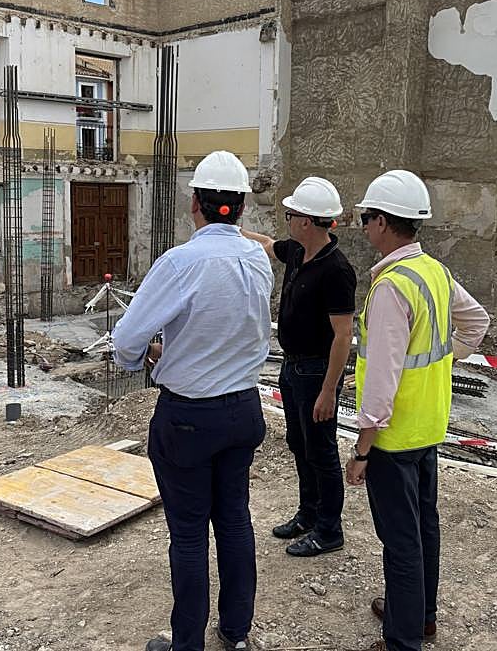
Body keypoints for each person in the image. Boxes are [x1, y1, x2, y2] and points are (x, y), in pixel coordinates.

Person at [112, 150, 274, 651]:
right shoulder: (255, 258)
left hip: (189, 418)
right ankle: (236, 632)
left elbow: (126, 340)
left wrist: (145, 357)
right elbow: (232, 328)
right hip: (244, 409)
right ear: (242, 206)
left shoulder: (181, 261)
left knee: (187, 536)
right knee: (234, 520)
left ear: (194, 204)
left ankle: (187, 645)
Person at [344, 169, 490, 651]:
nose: (364, 227)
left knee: (400, 541)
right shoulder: (433, 271)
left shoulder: (391, 287)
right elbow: (476, 321)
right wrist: (447, 357)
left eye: (367, 218)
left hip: (393, 438)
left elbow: (382, 381)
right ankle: (420, 615)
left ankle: (404, 637)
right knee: (424, 527)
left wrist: (362, 449)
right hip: (428, 428)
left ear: (384, 222)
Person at [243, 177, 356, 557]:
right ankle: (308, 514)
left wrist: (328, 390)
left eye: (291, 215)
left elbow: (343, 336)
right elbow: (266, 244)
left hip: (316, 371)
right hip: (292, 368)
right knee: (299, 444)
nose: (287, 220)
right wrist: (232, 229)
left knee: (321, 449)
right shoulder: (296, 251)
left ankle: (329, 529)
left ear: (306, 221)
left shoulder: (336, 270)